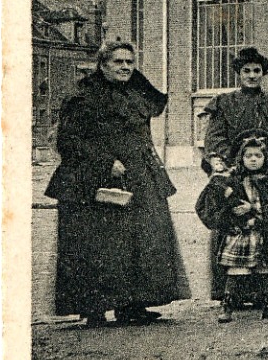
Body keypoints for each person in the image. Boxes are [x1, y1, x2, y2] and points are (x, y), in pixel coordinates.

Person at [45, 39, 190, 327]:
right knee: (96, 245)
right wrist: (105, 163)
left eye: (130, 62)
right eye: (118, 62)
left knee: (140, 239)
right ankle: (94, 309)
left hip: (136, 175)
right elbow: (68, 140)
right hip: (89, 179)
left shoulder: (135, 92)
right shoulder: (83, 96)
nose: (125, 67)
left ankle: (132, 306)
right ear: (102, 65)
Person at [201, 46, 268, 305]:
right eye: (246, 71)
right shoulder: (224, 103)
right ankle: (234, 293)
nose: (252, 75)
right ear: (238, 73)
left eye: (257, 71)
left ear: (263, 73)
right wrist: (234, 163)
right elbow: (215, 139)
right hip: (236, 179)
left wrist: (267, 159)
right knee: (235, 231)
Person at [196, 137, 268, 322]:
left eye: (258, 155)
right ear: (241, 158)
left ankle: (267, 307)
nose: (253, 159)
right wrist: (232, 211)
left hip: (263, 234)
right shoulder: (233, 181)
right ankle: (227, 308)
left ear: (265, 158)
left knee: (265, 271)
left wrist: (251, 209)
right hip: (241, 234)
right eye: (248, 155)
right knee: (237, 271)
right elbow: (218, 203)